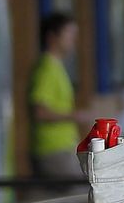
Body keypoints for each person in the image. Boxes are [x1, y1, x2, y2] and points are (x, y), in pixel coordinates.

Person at [29, 12, 92, 179]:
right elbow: (39, 111)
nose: (73, 40)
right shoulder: (47, 69)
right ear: (52, 37)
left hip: (61, 147)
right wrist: (74, 115)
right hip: (53, 149)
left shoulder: (56, 67)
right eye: (68, 34)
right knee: (83, 196)